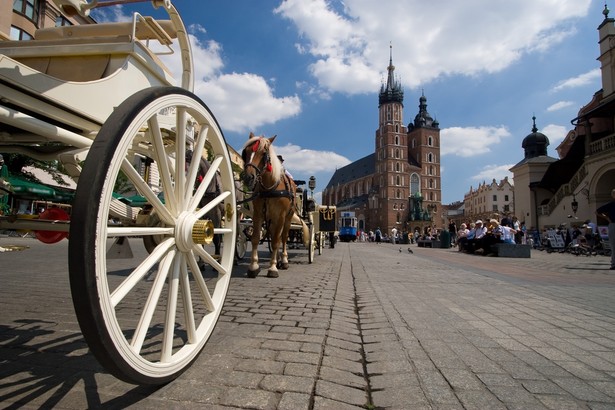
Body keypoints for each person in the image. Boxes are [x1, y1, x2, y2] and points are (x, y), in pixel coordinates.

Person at [596, 188, 615, 270]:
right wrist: (607, 218)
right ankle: (614, 263)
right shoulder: (611, 204)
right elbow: (597, 212)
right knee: (614, 245)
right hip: (613, 224)